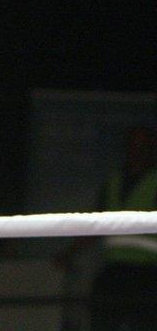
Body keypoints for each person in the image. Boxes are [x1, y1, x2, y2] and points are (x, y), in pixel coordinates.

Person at [57, 126, 157, 331]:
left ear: (151, 148)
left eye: (143, 145)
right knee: (102, 320)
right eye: (133, 144)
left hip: (148, 273)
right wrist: (69, 253)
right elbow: (95, 225)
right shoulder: (113, 182)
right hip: (114, 271)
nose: (137, 150)